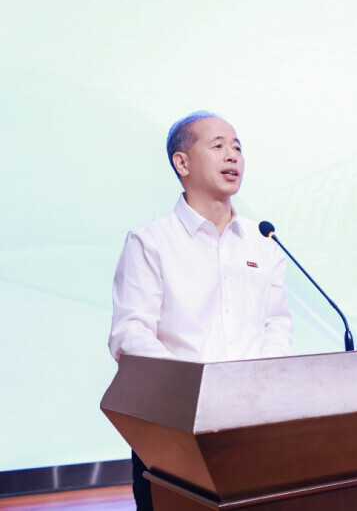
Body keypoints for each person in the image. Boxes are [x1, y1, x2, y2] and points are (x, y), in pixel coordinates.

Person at [108, 111, 293, 510]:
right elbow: (130, 334)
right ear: (183, 162)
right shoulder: (150, 241)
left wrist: (263, 383)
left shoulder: (264, 242)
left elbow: (276, 322)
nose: (233, 155)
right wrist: (193, 393)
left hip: (251, 424)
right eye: (218, 146)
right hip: (172, 429)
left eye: (238, 147)